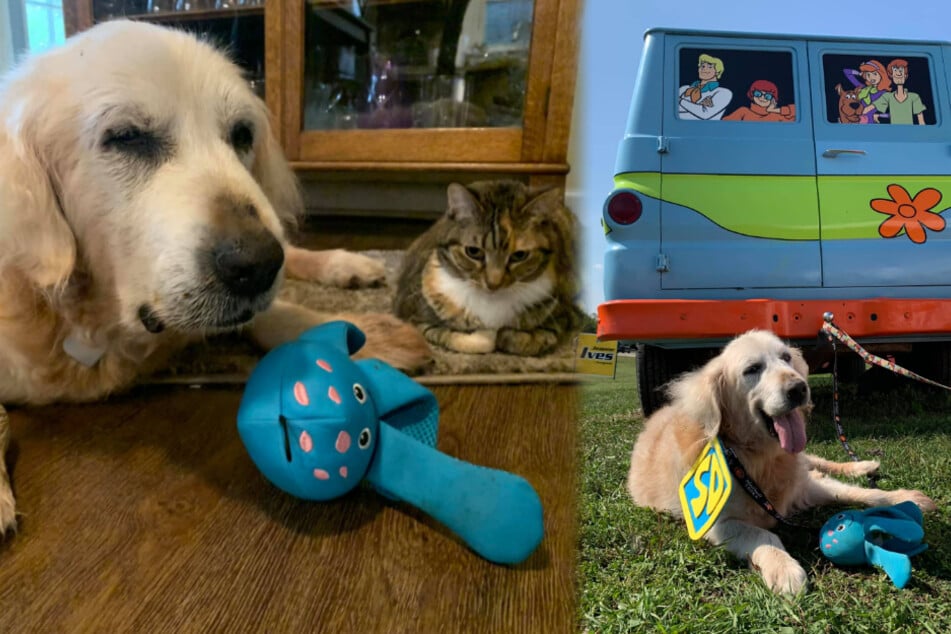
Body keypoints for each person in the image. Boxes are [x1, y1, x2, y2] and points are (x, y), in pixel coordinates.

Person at [870, 59, 927, 125]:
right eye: (895, 71)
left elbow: (921, 121)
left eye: (901, 71)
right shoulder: (888, 96)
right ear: (892, 76)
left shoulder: (914, 97)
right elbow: (870, 108)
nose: (898, 74)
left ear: (905, 75)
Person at [678, 53, 733, 120]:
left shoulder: (723, 92)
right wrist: (699, 107)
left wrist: (680, 101)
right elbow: (670, 109)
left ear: (717, 72)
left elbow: (705, 114)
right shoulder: (684, 88)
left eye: (710, 67)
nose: (704, 69)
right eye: (702, 66)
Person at [723, 79, 795, 122]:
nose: (762, 97)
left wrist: (774, 110)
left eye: (767, 96)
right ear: (752, 95)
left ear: (773, 99)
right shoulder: (743, 111)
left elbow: (798, 111)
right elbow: (725, 123)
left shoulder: (776, 115)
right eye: (758, 94)